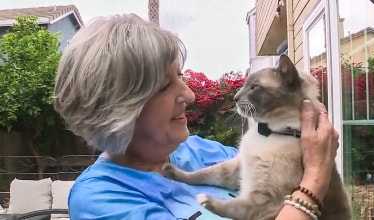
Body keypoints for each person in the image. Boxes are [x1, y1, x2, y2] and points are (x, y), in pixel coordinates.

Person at [53, 14, 339, 220]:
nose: (189, 95)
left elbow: (279, 182)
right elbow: (307, 180)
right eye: (165, 85)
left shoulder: (201, 152)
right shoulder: (101, 200)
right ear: (117, 108)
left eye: (180, 75)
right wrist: (313, 182)